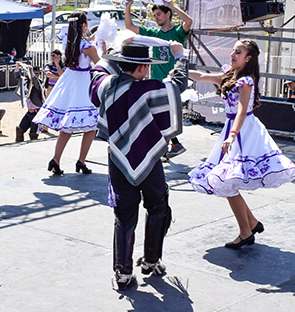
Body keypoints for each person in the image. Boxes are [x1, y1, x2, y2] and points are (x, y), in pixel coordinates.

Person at [93, 39, 187, 289]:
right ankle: (151, 261)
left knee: (124, 215)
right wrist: (180, 57)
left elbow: (96, 75)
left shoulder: (107, 87)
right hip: (148, 159)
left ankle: (122, 273)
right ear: (143, 68)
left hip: (118, 159)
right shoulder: (145, 90)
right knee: (157, 206)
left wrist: (111, 51)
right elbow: (176, 87)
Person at [187, 39, 295, 249]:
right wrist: (180, 67)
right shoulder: (229, 75)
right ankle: (252, 224)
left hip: (244, 132)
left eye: (238, 52)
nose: (232, 54)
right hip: (233, 129)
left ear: (248, 58)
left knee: (227, 182)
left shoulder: (246, 80)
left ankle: (246, 232)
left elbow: (241, 110)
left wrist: (232, 135)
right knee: (228, 182)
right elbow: (201, 76)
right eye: (233, 50)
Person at [32, 11, 100, 175]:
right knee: (91, 125)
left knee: (67, 126)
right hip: (83, 82)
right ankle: (81, 161)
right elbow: (99, 64)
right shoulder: (88, 47)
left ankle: (56, 159)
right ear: (83, 26)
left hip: (69, 80)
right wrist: (100, 47)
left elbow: (81, 45)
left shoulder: (67, 43)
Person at [124, 0, 192, 157]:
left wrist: (172, 6)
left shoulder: (177, 33)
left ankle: (172, 144)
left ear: (168, 14)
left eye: (159, 14)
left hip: (172, 82)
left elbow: (189, 21)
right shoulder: (154, 34)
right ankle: (168, 146)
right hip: (156, 81)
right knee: (157, 115)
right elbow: (130, 27)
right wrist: (128, 7)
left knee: (162, 115)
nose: (156, 18)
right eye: (154, 15)